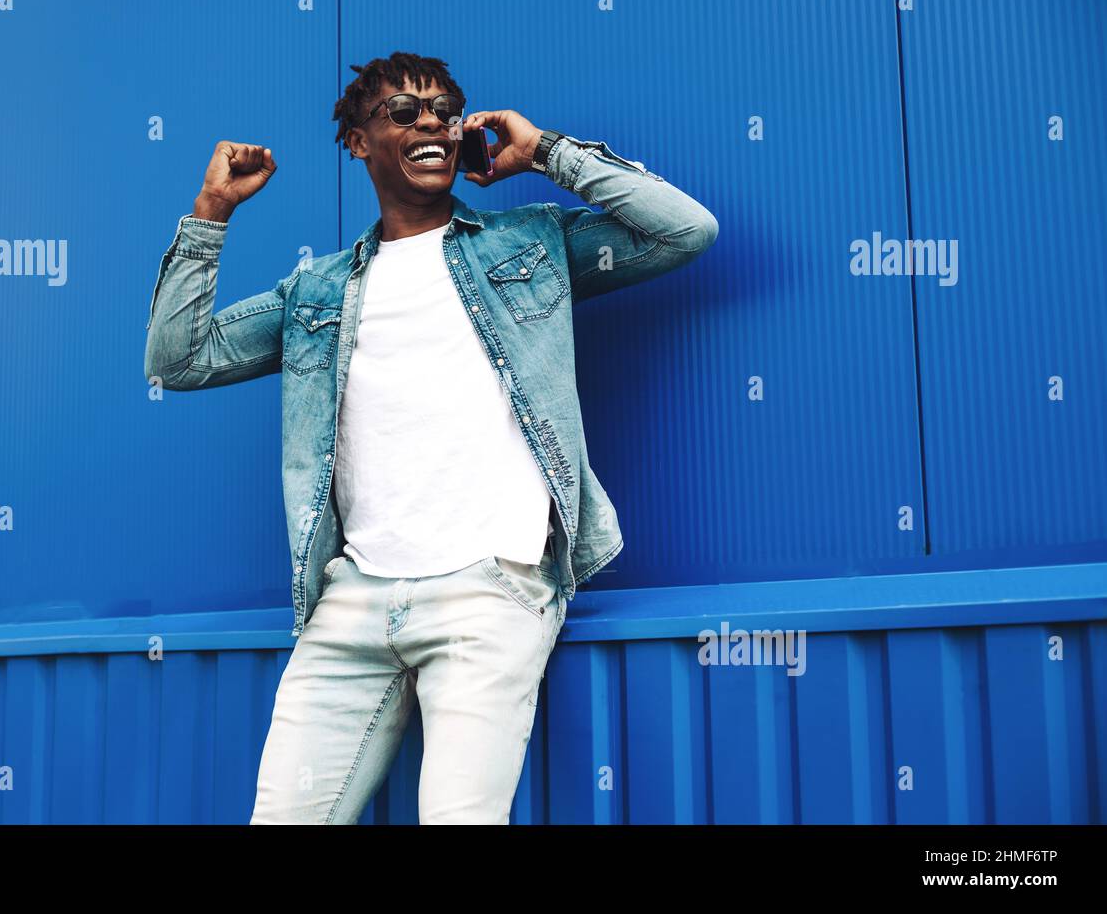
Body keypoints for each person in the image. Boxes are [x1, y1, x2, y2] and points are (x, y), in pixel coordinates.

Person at [144, 51, 718, 823]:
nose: (432, 125)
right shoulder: (316, 292)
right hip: (352, 603)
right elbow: (180, 359)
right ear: (358, 142)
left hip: (492, 592)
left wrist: (546, 151)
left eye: (445, 111)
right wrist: (211, 214)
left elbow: (685, 230)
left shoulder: (527, 247)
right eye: (405, 113)